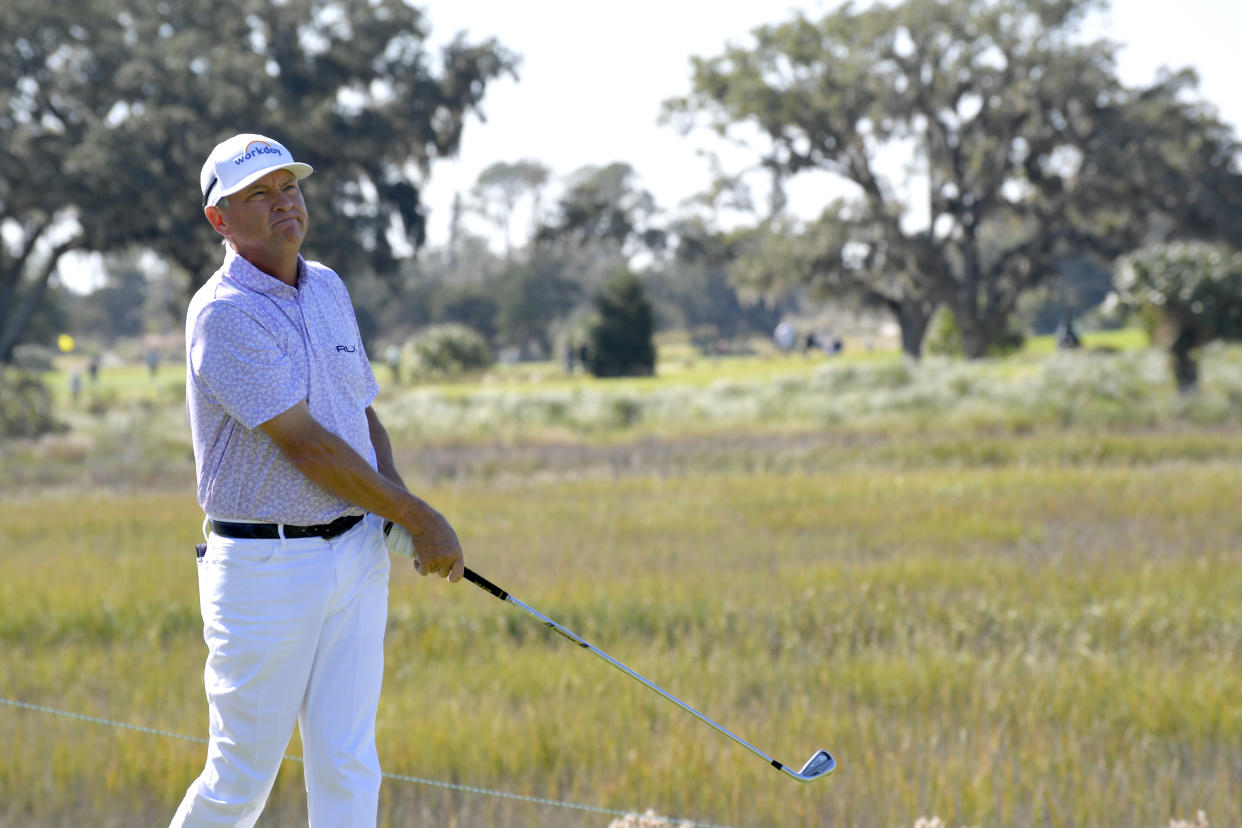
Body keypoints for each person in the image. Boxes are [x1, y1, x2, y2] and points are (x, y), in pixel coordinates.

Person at [172, 133, 464, 827]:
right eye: (258, 196)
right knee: (241, 777)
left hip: (356, 555)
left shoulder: (327, 286)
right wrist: (421, 517)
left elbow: (359, 415)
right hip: (266, 565)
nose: (283, 206)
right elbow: (308, 448)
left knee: (348, 761)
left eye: (289, 189)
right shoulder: (223, 313)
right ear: (220, 219)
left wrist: (393, 512)